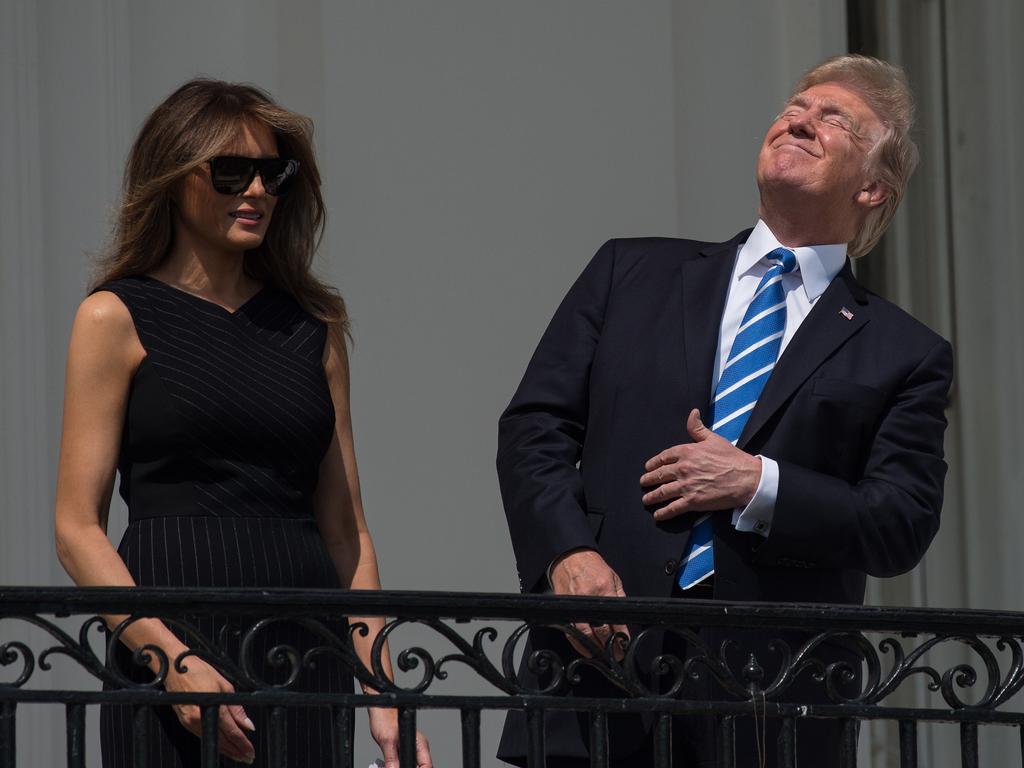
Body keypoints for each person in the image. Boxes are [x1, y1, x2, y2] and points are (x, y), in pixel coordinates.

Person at [496, 55, 953, 767]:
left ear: (873, 187)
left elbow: (900, 525)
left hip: (774, 706)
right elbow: (535, 428)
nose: (799, 117)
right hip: (594, 681)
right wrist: (566, 554)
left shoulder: (904, 352)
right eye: (794, 107)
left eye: (833, 119)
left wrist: (758, 484)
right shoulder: (630, 273)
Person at [54, 79, 432, 768]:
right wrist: (172, 661)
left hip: (304, 648)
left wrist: (382, 692)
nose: (255, 190)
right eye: (231, 171)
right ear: (173, 179)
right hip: (167, 642)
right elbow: (77, 526)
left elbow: (348, 532)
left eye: (273, 172)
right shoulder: (114, 317)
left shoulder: (313, 326)